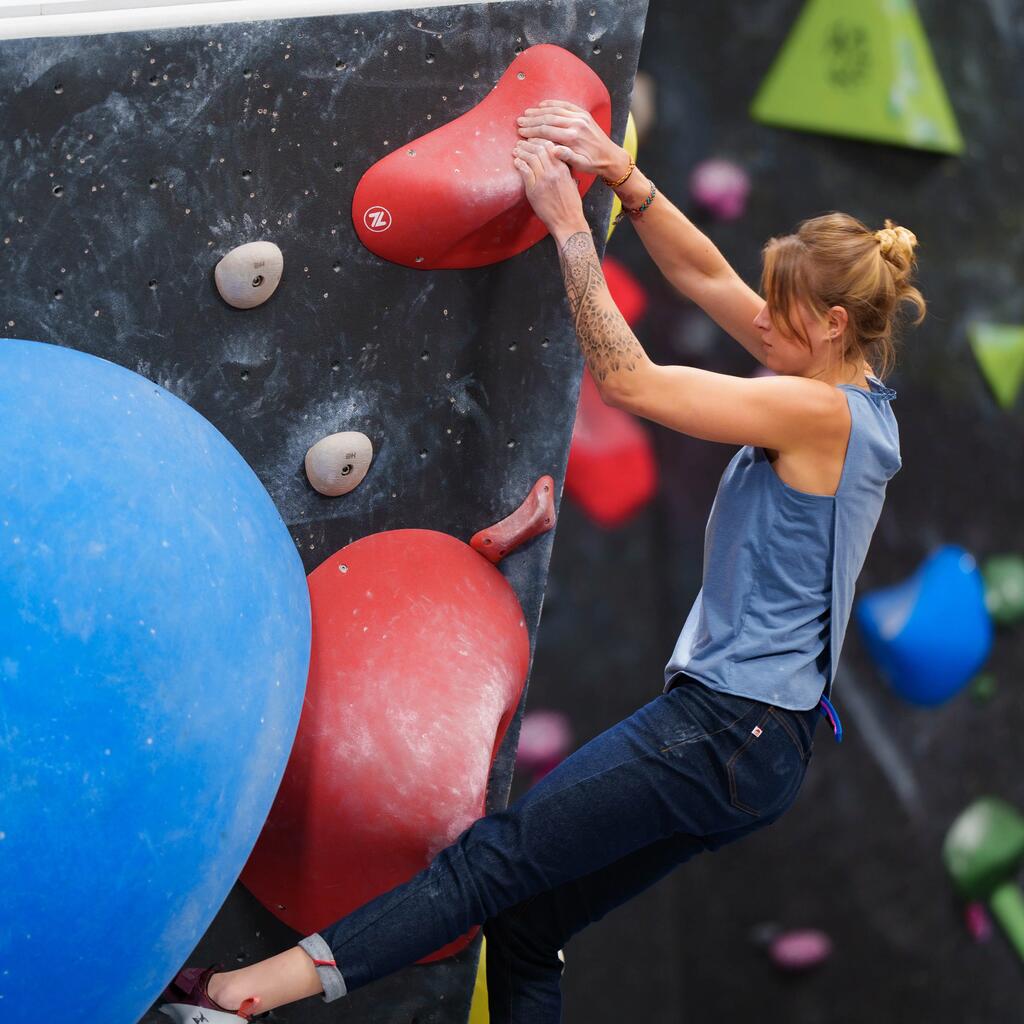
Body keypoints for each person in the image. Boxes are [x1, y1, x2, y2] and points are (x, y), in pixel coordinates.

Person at [158, 100, 925, 1024]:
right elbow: (710, 279)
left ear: (836, 324)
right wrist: (624, 176)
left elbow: (629, 381)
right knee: (529, 925)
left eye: (788, 316)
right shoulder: (854, 399)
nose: (764, 326)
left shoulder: (819, 417)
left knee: (497, 863)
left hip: (727, 728)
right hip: (761, 753)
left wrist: (571, 230)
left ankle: (246, 995)